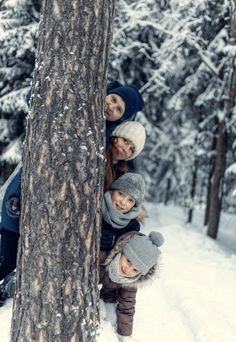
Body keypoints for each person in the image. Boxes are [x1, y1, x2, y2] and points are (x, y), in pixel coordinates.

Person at [99, 230, 164, 338]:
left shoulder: (130, 282)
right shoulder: (102, 260)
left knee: (111, 318)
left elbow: (127, 306)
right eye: (128, 261)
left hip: (108, 296)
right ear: (121, 252)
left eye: (135, 270)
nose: (128, 270)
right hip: (96, 294)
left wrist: (124, 334)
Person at [101, 172, 145, 252]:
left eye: (130, 200)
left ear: (134, 205)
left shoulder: (132, 226)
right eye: (121, 194)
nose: (123, 202)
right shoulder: (98, 207)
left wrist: (114, 242)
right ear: (113, 190)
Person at [105, 121, 146, 191]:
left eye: (131, 149)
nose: (125, 149)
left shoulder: (121, 174)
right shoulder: (99, 151)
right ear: (116, 135)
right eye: (125, 141)